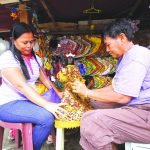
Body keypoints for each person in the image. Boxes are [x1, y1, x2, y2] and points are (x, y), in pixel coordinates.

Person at [72, 18, 150, 150]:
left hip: (145, 114)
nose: (107, 50)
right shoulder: (127, 56)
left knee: (91, 121)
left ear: (122, 38)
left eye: (108, 45)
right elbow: (115, 87)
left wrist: (87, 92)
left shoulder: (136, 57)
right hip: (138, 108)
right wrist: (89, 94)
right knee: (94, 104)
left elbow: (123, 97)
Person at [0, 22, 69, 150]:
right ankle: (31, 147)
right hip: (8, 104)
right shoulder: (7, 58)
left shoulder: (35, 58)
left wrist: (59, 94)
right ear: (14, 40)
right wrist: (47, 105)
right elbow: (22, 86)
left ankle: (30, 144)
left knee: (61, 106)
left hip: (27, 101)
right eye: (24, 42)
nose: (29, 46)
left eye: (31, 42)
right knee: (46, 118)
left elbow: (45, 80)